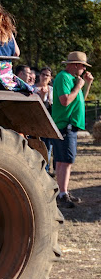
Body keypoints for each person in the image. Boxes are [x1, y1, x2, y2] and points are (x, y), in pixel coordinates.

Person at [51, 51, 94, 208]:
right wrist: (78, 85)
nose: (83, 69)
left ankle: (63, 192)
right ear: (75, 65)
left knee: (64, 161)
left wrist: (85, 84)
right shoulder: (63, 77)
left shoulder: (72, 79)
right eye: (83, 66)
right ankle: (62, 194)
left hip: (69, 125)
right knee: (65, 161)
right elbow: (65, 101)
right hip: (65, 125)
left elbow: (80, 97)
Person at [35, 67, 54, 173]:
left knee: (47, 148)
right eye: (43, 74)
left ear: (50, 78)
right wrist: (41, 96)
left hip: (48, 123)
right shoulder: (33, 89)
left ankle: (46, 170)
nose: (45, 77)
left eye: (47, 75)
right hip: (36, 122)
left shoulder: (52, 90)